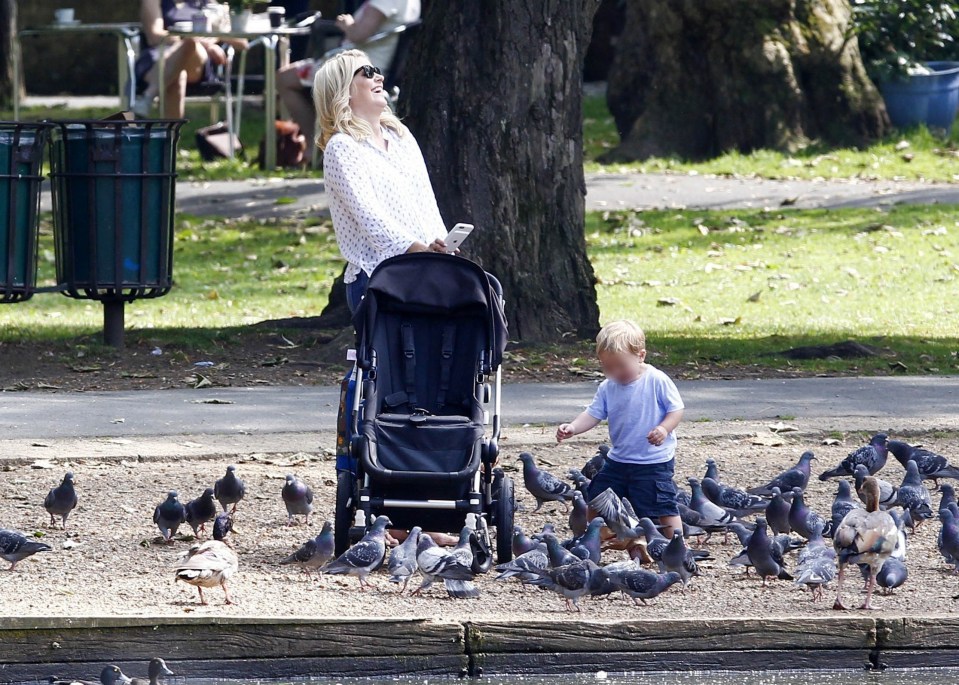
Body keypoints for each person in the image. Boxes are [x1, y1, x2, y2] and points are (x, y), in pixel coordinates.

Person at [314, 48, 450, 313]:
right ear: (344, 90)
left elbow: (425, 201)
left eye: (377, 70)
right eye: (367, 72)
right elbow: (371, 218)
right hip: (380, 278)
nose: (379, 77)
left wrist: (442, 245)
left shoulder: (401, 137)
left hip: (426, 270)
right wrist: (419, 251)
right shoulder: (342, 147)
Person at [556, 320, 686, 543]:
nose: (615, 372)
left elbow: (676, 409)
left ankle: (677, 546)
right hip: (619, 459)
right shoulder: (608, 386)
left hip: (652, 461)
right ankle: (590, 537)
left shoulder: (656, 380)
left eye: (621, 366)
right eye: (608, 367)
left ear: (641, 356)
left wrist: (664, 429)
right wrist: (574, 428)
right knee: (597, 496)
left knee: (661, 504)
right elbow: (594, 413)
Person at [277, 0, 420, 162]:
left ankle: (313, 147)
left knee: (284, 78)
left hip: (358, 69)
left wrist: (347, 23)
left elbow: (358, 34)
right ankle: (320, 142)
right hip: (370, 65)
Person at [134, 0, 246, 119]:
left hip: (197, 61)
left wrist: (215, 35)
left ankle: (149, 95)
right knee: (178, 73)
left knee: (191, 43)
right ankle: (172, 136)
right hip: (159, 55)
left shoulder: (208, 3)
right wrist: (200, 41)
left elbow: (242, 43)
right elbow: (154, 37)